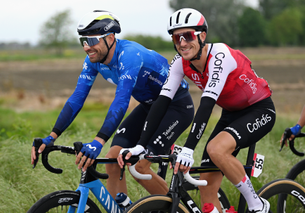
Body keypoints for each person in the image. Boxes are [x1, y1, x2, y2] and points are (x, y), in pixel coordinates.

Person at [118, 8, 275, 213]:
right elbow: (162, 102)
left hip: (259, 110)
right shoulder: (180, 62)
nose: (182, 43)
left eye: (188, 36)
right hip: (230, 113)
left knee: (216, 149)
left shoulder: (220, 55)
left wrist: (189, 148)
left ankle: (258, 205)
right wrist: (141, 145)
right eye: (177, 37)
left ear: (202, 35)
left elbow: (207, 104)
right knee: (207, 190)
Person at [31, 10, 194, 198]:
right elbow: (77, 98)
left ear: (110, 38)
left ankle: (180, 208)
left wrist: (98, 141)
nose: (86, 47)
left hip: (176, 107)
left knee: (139, 167)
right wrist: (51, 136)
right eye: (82, 41)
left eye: (91, 41)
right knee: (112, 160)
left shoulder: (129, 55)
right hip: (150, 107)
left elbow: (122, 100)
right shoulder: (93, 60)